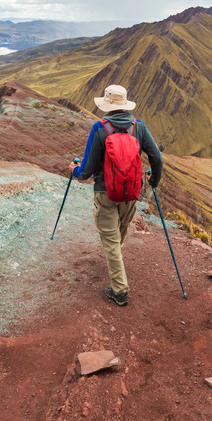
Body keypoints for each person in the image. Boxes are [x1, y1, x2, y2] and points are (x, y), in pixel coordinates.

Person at [71, 84, 163, 306]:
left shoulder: (99, 129)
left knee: (111, 241)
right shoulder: (138, 127)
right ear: (125, 104)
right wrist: (154, 181)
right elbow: (157, 158)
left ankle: (119, 291)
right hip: (131, 193)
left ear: (107, 105)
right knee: (119, 234)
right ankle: (116, 262)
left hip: (105, 193)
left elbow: (87, 170)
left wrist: (74, 169)